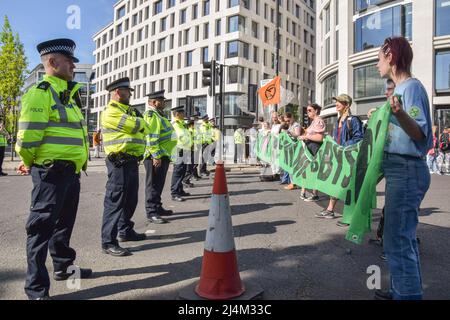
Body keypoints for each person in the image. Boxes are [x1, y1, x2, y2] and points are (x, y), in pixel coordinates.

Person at [16, 38, 91, 300]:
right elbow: (27, 138)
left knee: (64, 226)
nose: (73, 64)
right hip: (50, 173)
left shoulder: (70, 97)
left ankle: (62, 267)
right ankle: (36, 289)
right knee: (40, 230)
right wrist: (30, 161)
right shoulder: (40, 93)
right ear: (51, 62)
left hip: (70, 173)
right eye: (68, 60)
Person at [373, 36, 433, 300]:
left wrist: (397, 114)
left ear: (391, 57)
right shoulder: (402, 91)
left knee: (397, 239)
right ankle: (404, 290)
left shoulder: (411, 88)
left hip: (407, 169)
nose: (377, 64)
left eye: (379, 58)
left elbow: (420, 134)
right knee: (400, 238)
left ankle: (407, 295)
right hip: (402, 169)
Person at [101, 77, 150, 257]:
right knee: (115, 202)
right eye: (127, 91)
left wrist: (140, 124)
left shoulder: (130, 111)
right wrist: (140, 124)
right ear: (117, 92)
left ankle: (125, 230)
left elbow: (144, 127)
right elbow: (136, 125)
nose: (130, 94)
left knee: (130, 200)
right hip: (118, 162)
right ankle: (108, 241)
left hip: (131, 161)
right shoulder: (110, 112)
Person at [316, 94, 364, 225]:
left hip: (348, 157)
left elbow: (359, 139)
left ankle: (351, 217)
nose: (336, 104)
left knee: (349, 187)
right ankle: (330, 210)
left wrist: (343, 147)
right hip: (339, 157)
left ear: (346, 105)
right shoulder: (338, 120)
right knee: (336, 184)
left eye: (339, 102)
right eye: (336, 102)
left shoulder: (353, 120)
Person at [143, 90, 177, 224]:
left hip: (162, 155)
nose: (164, 103)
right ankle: (151, 212)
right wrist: (155, 155)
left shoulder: (159, 115)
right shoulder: (151, 115)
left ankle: (157, 206)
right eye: (162, 101)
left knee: (159, 183)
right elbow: (151, 137)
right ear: (154, 102)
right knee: (153, 184)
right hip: (155, 156)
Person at [298, 103, 326, 202]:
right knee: (308, 169)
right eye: (307, 110)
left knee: (313, 170)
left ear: (316, 111)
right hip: (310, 147)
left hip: (315, 148)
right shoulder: (314, 121)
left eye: (310, 110)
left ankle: (315, 194)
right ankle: (305, 192)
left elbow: (320, 138)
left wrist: (306, 137)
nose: (308, 112)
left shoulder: (318, 121)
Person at [170, 106, 192, 202]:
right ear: (177, 114)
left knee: (182, 170)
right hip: (178, 149)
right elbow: (180, 136)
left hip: (184, 149)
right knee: (178, 171)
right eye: (182, 113)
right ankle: (174, 193)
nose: (184, 114)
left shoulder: (182, 124)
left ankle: (180, 189)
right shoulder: (175, 124)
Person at [284, 112, 302, 190]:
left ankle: (294, 183)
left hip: (295, 147)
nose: (287, 122)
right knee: (290, 165)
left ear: (292, 117)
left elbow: (297, 135)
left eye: (288, 120)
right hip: (291, 148)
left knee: (293, 165)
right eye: (286, 121)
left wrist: (290, 132)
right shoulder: (291, 125)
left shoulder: (296, 125)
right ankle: (293, 182)